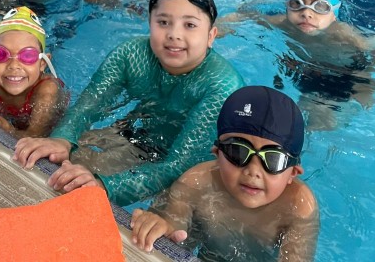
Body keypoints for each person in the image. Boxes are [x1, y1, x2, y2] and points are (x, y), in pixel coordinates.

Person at [12, 0, 245, 206]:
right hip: (139, 133)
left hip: (193, 169)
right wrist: (62, 138)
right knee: (58, 161)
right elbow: (88, 106)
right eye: (163, 22)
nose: (174, 34)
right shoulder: (131, 55)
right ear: (150, 24)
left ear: (211, 36)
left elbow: (179, 165)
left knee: (86, 183)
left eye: (190, 25)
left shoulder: (221, 86)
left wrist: (105, 187)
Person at [130, 86, 319, 261]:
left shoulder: (298, 207)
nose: (253, 171)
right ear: (218, 154)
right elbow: (174, 229)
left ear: (293, 173)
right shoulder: (195, 183)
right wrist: (160, 227)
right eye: (238, 151)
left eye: (273, 159)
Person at [219, 0, 375, 130]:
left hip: (349, 73)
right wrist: (217, 28)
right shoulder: (281, 23)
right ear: (287, 7)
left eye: (320, 6)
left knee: (363, 109)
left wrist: (367, 74)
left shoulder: (343, 34)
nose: (306, 13)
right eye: (296, 4)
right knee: (307, 122)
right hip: (307, 71)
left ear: (334, 13)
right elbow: (246, 16)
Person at [0, 6, 69, 138]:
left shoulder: (47, 90)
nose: (14, 66)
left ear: (42, 64)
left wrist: (1, 123)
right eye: (1, 54)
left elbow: (34, 137)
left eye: (28, 56)